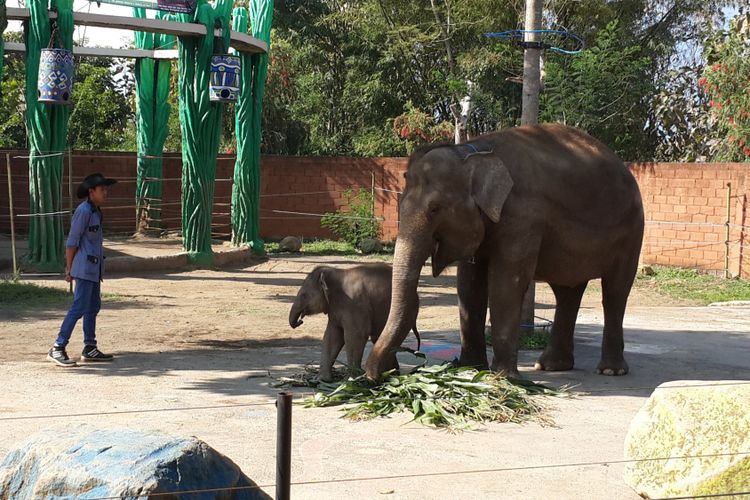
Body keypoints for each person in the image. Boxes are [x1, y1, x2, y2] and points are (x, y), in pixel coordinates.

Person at [47, 173, 118, 367]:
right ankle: (58, 347)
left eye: (106, 189)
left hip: (94, 269)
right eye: (102, 190)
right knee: (79, 307)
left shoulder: (96, 211)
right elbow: (72, 242)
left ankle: (90, 348)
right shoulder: (84, 211)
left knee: (93, 307)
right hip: (83, 268)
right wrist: (69, 268)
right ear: (91, 191)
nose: (105, 193)